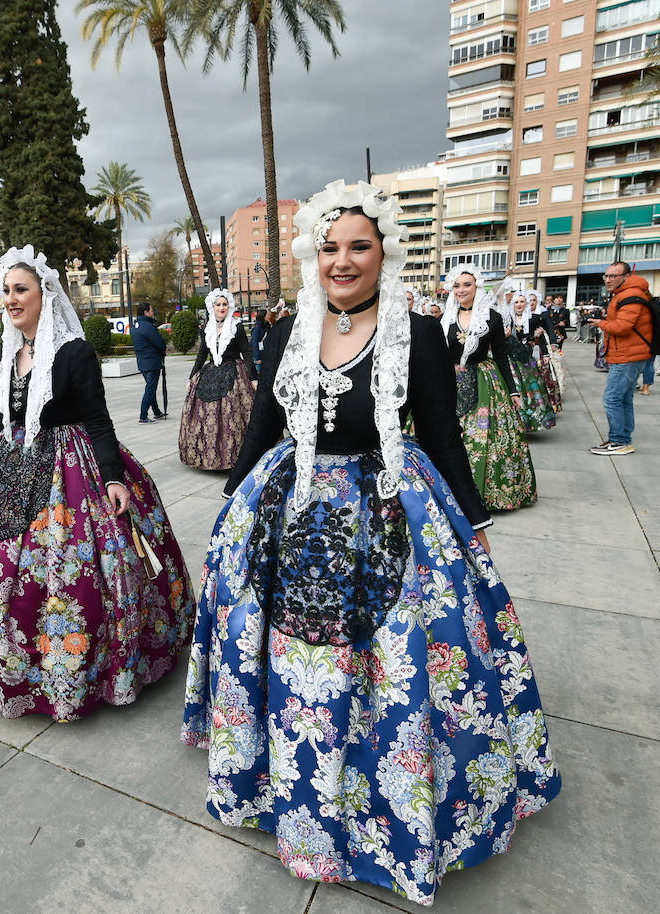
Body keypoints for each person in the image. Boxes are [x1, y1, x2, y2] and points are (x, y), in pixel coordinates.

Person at [181, 181, 560, 904]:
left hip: (386, 505)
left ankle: (387, 800)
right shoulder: (286, 329)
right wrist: (233, 504)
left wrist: (473, 524)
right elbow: (263, 421)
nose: (343, 261)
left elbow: (443, 434)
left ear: (385, 251)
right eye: (330, 248)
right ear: (312, 256)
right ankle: (292, 793)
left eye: (359, 246)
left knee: (390, 662)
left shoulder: (415, 331)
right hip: (287, 509)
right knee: (292, 667)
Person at [0, 246, 194, 721]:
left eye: (21, 290)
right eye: (6, 292)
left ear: (45, 295)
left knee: (79, 566)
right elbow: (4, 418)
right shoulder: (11, 352)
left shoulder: (74, 352)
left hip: (71, 464)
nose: (11, 300)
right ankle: (13, 663)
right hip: (13, 462)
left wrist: (114, 479)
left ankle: (92, 666)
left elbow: (97, 419)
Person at [442, 267, 536, 509]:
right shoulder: (444, 318)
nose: (461, 290)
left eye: (467, 285)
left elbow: (502, 357)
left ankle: (483, 493)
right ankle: (448, 489)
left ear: (477, 287)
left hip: (483, 384)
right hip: (448, 383)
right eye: (457, 285)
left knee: (480, 438)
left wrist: (513, 391)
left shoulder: (492, 318)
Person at [179, 288, 256, 470]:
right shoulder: (207, 329)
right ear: (212, 307)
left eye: (224, 304)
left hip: (233, 372)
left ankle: (236, 458)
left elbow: (246, 352)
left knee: (233, 414)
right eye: (218, 305)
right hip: (211, 373)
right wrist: (191, 378)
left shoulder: (236, 327)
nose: (221, 307)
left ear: (229, 306)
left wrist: (253, 377)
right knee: (206, 415)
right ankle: (209, 457)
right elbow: (201, 355)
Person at [589, 262, 653, 456]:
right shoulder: (626, 294)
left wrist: (600, 323)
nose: (608, 280)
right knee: (623, 398)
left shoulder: (630, 296)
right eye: (606, 276)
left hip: (628, 355)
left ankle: (619, 441)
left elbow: (622, 327)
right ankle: (622, 439)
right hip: (628, 354)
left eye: (613, 276)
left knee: (612, 399)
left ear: (625, 276)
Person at [505, 292, 558, 429]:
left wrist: (545, 353)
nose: (519, 305)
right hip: (512, 357)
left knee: (529, 389)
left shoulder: (534, 318)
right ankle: (516, 422)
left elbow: (540, 338)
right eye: (516, 302)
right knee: (516, 387)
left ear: (526, 303)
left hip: (526, 358)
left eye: (522, 302)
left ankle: (531, 421)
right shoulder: (509, 319)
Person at [131, 302, 168, 424]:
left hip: (142, 362)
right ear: (146, 312)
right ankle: (143, 415)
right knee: (150, 389)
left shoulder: (136, 327)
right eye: (151, 310)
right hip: (151, 362)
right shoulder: (148, 327)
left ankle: (156, 412)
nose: (152, 313)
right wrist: (163, 350)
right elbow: (159, 343)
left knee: (150, 388)